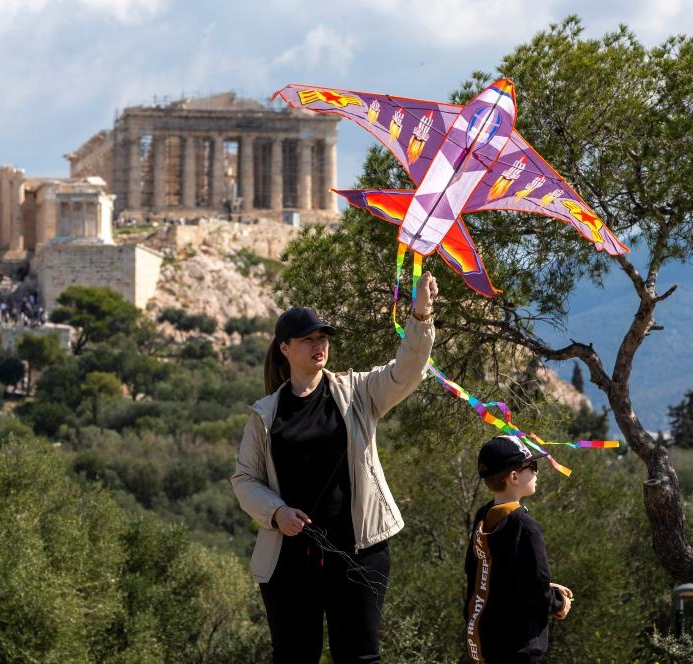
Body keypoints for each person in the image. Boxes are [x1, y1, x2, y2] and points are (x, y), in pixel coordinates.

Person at [231, 272, 438, 664]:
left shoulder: (358, 391)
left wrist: (421, 317)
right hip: (289, 557)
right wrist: (276, 512)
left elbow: (405, 371)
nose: (319, 344)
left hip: (359, 550)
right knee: (293, 657)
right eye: (308, 338)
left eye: (322, 337)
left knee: (360, 657)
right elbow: (244, 480)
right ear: (285, 348)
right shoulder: (264, 415)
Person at [463, 435, 573, 663]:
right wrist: (559, 603)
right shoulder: (525, 526)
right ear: (514, 476)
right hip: (519, 649)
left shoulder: (484, 517)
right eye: (532, 466)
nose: (537, 472)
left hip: (487, 643)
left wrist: (548, 587)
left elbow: (487, 573)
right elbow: (534, 586)